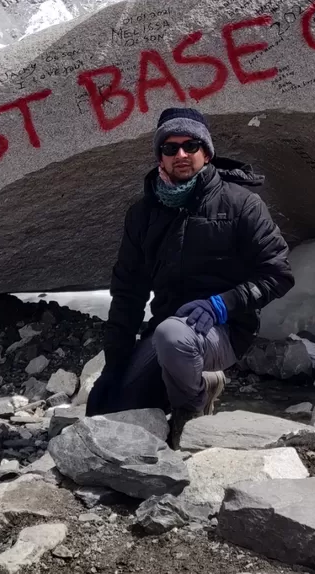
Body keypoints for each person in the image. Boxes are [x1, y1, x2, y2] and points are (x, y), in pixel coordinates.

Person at [88, 107, 293, 446]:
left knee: (172, 335)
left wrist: (221, 306)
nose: (181, 154)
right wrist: (114, 364)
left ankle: (190, 409)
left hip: (224, 329)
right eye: (170, 147)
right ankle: (200, 382)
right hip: (168, 331)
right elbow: (128, 292)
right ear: (160, 157)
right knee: (106, 412)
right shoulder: (142, 215)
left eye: (191, 145)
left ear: (207, 152)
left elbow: (278, 274)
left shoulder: (242, 204)